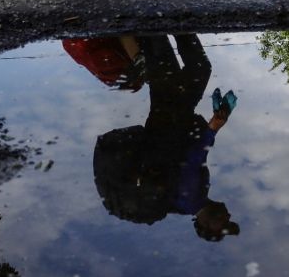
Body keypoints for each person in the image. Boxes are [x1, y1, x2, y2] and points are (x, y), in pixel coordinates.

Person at [91, 34, 240, 242]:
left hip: (169, 121)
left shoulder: (190, 198)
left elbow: (193, 159)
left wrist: (213, 127)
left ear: (204, 224)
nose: (228, 217)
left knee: (173, 65)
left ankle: (160, 19)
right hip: (169, 121)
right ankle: (166, 23)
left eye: (223, 225)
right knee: (192, 69)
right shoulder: (184, 202)